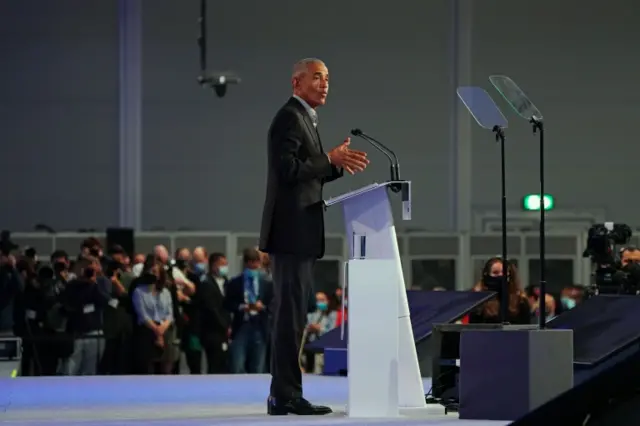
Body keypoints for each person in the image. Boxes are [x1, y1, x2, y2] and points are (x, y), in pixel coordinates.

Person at [259, 58, 369, 416]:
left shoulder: (306, 117)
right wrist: (328, 158)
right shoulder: (290, 117)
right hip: (290, 233)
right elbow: (287, 170)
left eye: (327, 79)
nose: (324, 84)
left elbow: (309, 174)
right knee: (288, 318)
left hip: (300, 234)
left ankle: (284, 393)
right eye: (317, 78)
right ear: (296, 83)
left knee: (294, 317)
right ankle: (285, 395)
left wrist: (336, 163)